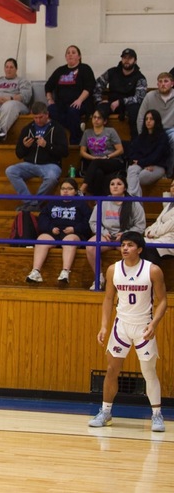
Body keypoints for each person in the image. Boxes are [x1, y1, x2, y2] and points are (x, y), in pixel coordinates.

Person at [88, 231, 166, 432]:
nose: (124, 248)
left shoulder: (153, 270)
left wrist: (154, 324)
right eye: (123, 244)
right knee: (112, 370)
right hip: (120, 325)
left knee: (149, 372)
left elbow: (163, 301)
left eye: (130, 245)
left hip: (143, 327)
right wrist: (104, 325)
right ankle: (105, 412)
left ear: (139, 249)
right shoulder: (113, 270)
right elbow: (108, 299)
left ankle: (157, 415)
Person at [25, 178, 92, 284]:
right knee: (41, 239)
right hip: (54, 232)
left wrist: (75, 229)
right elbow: (43, 217)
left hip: (73, 233)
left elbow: (88, 221)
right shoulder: (53, 202)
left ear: (75, 191)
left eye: (69, 189)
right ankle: (36, 271)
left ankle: (65, 272)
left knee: (69, 241)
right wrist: (50, 228)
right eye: (63, 189)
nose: (65, 191)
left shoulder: (82, 204)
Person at [4, 102, 69, 212]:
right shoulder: (27, 129)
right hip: (29, 164)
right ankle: (32, 203)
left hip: (50, 165)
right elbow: (19, 154)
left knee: (52, 177)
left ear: (47, 114)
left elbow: (64, 152)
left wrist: (46, 145)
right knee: (10, 171)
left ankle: (33, 204)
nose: (38, 120)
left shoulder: (57, 128)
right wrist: (25, 147)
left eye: (40, 117)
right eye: (35, 117)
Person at [86, 175, 146, 291]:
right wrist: (103, 232)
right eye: (112, 184)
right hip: (107, 236)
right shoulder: (102, 202)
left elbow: (140, 225)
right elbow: (93, 222)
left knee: (132, 249)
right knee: (90, 246)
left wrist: (125, 234)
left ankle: (131, 279)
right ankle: (99, 278)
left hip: (126, 237)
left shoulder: (134, 204)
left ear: (125, 187)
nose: (115, 186)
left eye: (119, 184)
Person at [93, 48, 147, 142]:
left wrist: (121, 102)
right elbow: (97, 85)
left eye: (130, 58)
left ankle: (135, 144)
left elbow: (139, 98)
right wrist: (98, 101)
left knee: (135, 111)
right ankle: (98, 142)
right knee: (99, 112)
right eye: (124, 58)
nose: (126, 60)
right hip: (111, 103)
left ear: (135, 60)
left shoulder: (140, 78)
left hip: (129, 105)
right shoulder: (112, 72)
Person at [45, 45, 95, 144]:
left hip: (80, 103)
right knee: (51, 110)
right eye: (68, 53)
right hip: (62, 104)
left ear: (79, 56)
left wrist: (79, 100)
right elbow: (48, 86)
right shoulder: (60, 70)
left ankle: (75, 141)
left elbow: (89, 87)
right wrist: (50, 99)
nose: (70, 54)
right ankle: (78, 125)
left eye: (73, 52)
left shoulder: (85, 68)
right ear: (65, 56)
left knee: (73, 111)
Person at [0, 58, 32, 143]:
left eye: (11, 67)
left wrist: (10, 98)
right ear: (4, 68)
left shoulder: (22, 81)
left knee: (9, 105)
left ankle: (1, 134)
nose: (8, 69)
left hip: (15, 103)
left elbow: (26, 96)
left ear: (16, 69)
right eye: (7, 67)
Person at [77, 108, 124, 197]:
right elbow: (82, 152)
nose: (96, 120)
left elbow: (120, 150)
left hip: (113, 160)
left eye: (99, 118)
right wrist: (93, 158)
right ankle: (98, 200)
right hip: (95, 162)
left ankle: (82, 189)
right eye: (94, 117)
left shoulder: (110, 131)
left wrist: (107, 157)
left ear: (104, 121)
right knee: (98, 172)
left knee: (97, 163)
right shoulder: (87, 132)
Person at [136, 72, 174, 177]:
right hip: (153, 129)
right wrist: (142, 135)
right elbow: (141, 117)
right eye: (160, 81)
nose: (163, 84)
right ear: (157, 84)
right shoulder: (149, 96)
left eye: (166, 81)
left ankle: (169, 173)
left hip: (171, 129)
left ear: (172, 83)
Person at [127, 109, 169, 197]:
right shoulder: (141, 137)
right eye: (146, 119)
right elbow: (133, 153)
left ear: (156, 121)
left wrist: (141, 162)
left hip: (157, 166)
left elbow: (157, 156)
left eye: (151, 119)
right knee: (131, 170)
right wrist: (143, 163)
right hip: (143, 165)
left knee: (141, 177)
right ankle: (134, 201)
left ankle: (134, 202)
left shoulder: (162, 137)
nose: (148, 121)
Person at [143, 180, 174, 265]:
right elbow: (158, 222)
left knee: (149, 247)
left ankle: (155, 276)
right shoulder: (169, 204)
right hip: (160, 237)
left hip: (170, 239)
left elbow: (169, 226)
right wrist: (148, 231)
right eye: (172, 186)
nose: (173, 188)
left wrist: (153, 233)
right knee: (137, 243)